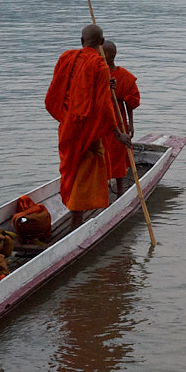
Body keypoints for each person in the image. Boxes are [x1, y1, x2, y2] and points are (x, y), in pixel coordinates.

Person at [45, 24, 133, 231]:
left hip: (68, 126)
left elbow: (57, 92)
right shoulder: (100, 65)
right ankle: (76, 223)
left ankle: (80, 214)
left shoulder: (66, 57)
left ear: (81, 40)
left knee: (73, 169)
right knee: (84, 173)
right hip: (88, 131)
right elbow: (103, 105)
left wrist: (105, 85)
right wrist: (117, 133)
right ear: (101, 42)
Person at [102, 40, 141, 196]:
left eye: (103, 54)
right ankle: (102, 191)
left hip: (118, 119)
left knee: (119, 155)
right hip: (101, 120)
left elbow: (129, 102)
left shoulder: (124, 76)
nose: (100, 57)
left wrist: (131, 124)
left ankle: (120, 192)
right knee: (101, 155)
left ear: (112, 56)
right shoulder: (98, 73)